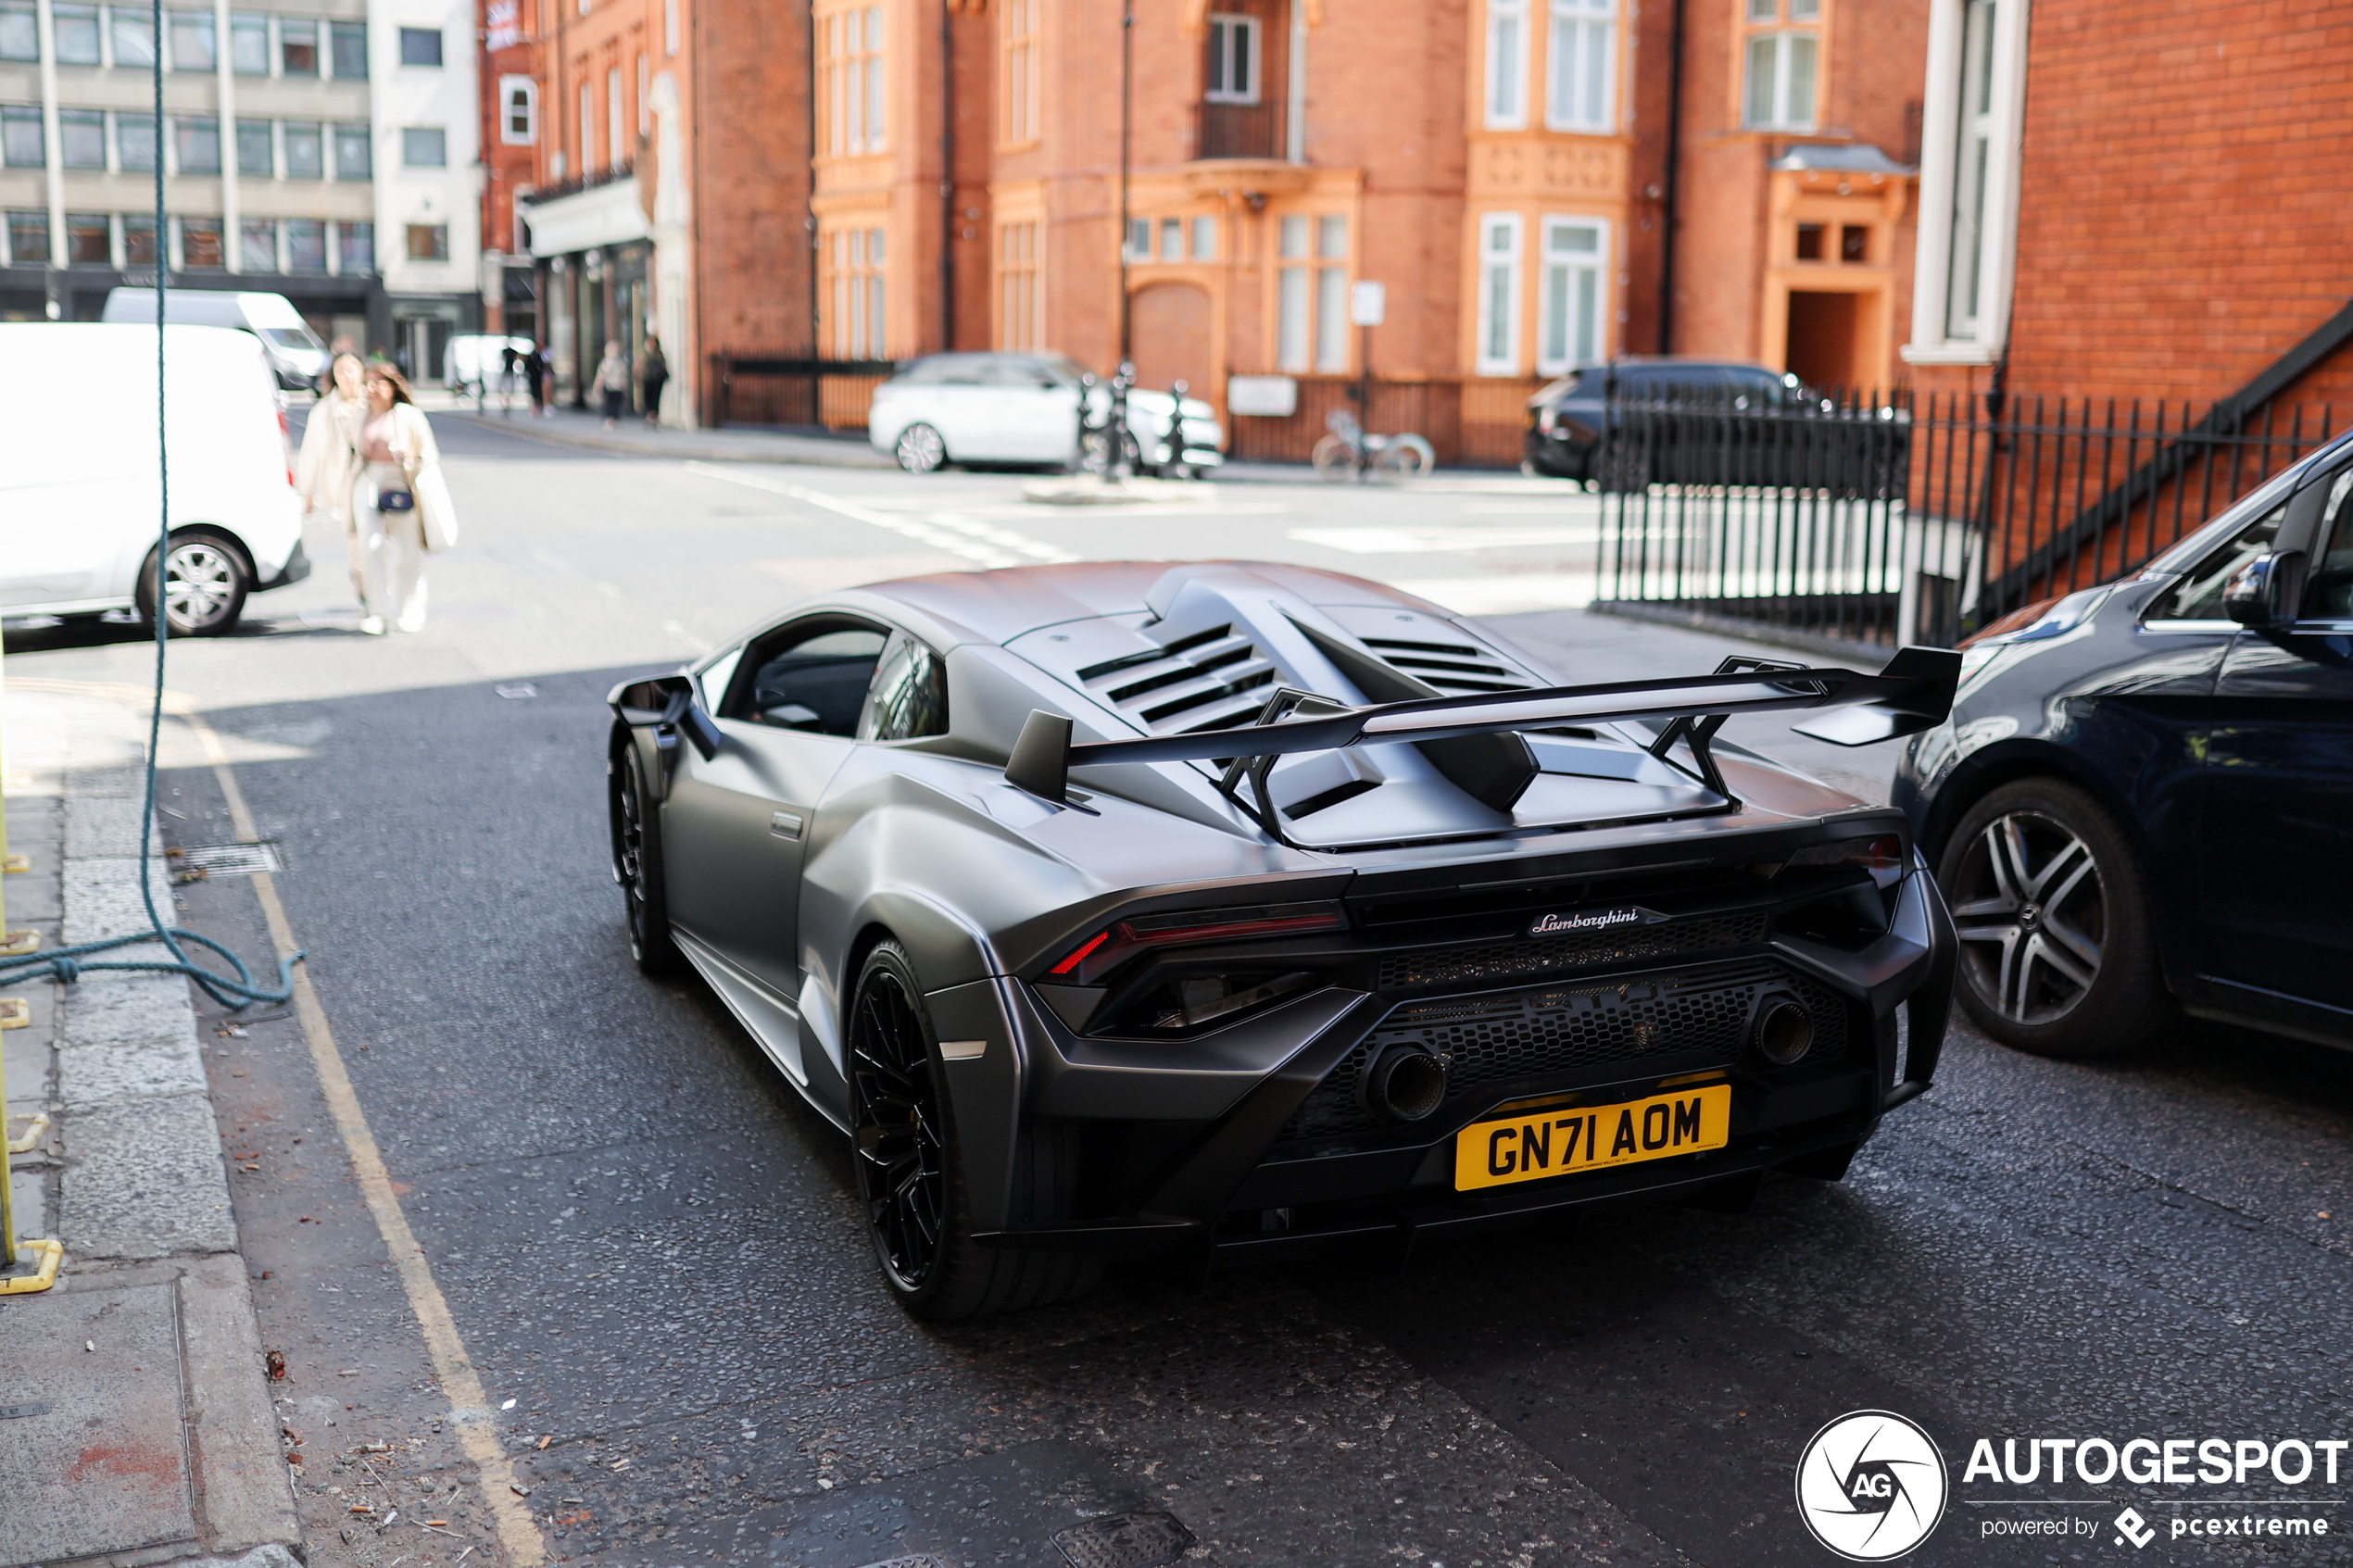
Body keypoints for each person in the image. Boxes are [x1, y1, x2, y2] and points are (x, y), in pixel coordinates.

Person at [347, 366, 459, 635]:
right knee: (370, 546)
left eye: (377, 383)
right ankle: (376, 612)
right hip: (369, 480)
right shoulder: (361, 415)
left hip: (401, 483)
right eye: (368, 383)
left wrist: (413, 457)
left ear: (392, 386)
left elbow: (430, 453)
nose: (371, 388)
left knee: (406, 550)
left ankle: (410, 610)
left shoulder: (409, 416)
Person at [295, 351, 373, 608]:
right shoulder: (324, 410)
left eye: (352, 368)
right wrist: (306, 492)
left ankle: (378, 586)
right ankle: (366, 589)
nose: (347, 375)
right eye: (341, 370)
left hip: (375, 482)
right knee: (356, 541)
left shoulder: (374, 401)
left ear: (362, 371)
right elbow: (310, 452)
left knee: (377, 540)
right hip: (344, 485)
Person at [592, 340, 630, 428]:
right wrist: (598, 387)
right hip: (609, 386)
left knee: (616, 403)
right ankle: (610, 419)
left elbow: (624, 375)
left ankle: (613, 419)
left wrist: (625, 385)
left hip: (618, 387)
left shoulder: (620, 362)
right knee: (610, 403)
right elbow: (601, 376)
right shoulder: (607, 363)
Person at [638, 337, 669, 427]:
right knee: (647, 398)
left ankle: (653, 416)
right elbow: (639, 367)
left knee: (656, 398)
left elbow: (663, 366)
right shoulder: (643, 354)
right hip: (647, 379)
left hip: (657, 380)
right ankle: (649, 416)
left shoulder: (659, 354)